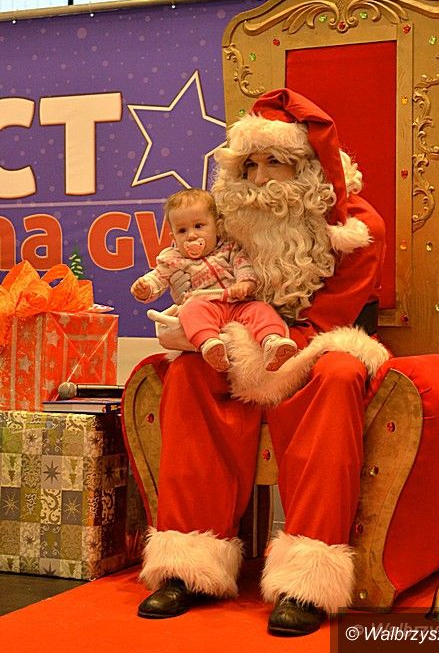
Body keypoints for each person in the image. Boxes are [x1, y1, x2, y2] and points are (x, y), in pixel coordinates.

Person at [134, 88, 387, 636]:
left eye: (275, 162)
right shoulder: (228, 219)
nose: (260, 178)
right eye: (249, 165)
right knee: (189, 373)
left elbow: (331, 318)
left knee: (338, 374)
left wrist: (259, 346)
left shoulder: (356, 227)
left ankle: (307, 579)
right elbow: (200, 277)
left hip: (317, 343)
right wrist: (195, 325)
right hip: (238, 332)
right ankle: (189, 565)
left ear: (307, 166)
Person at [130, 188, 297, 372]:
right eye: (182, 230)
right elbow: (158, 277)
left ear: (217, 227)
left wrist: (245, 284)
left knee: (261, 309)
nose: (191, 235)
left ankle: (272, 341)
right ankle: (209, 344)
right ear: (173, 237)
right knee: (190, 311)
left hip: (237, 303)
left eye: (199, 226)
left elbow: (243, 265)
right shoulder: (173, 259)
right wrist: (146, 288)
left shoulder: (229, 248)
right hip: (205, 305)